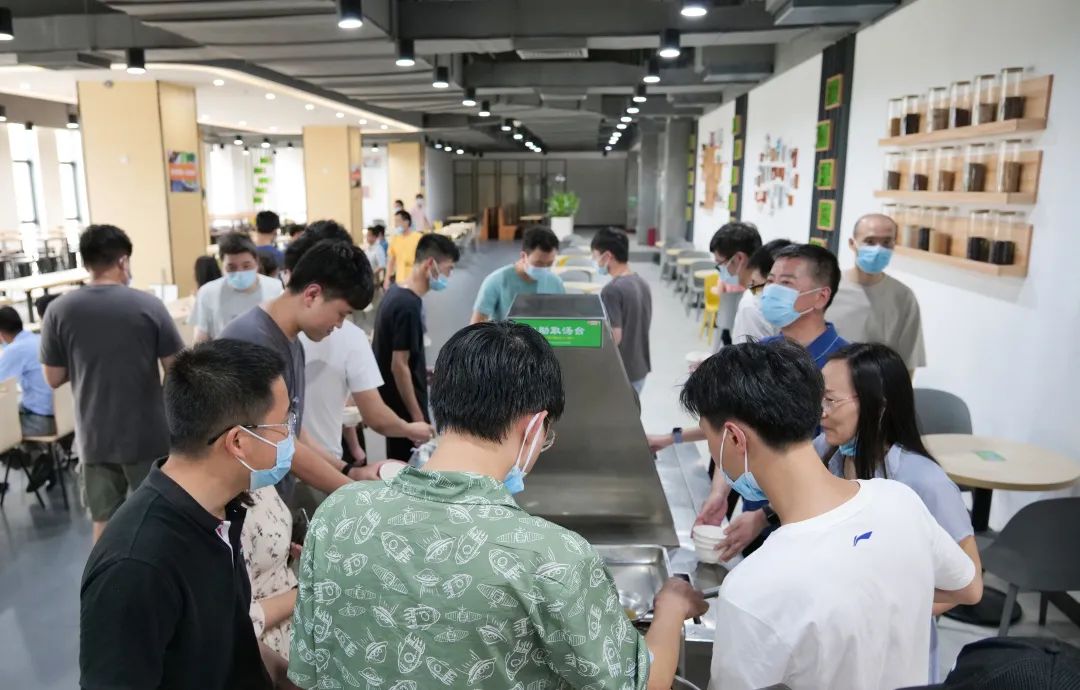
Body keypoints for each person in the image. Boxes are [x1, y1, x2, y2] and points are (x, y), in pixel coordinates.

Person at [289, 321, 707, 690]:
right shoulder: (552, 558)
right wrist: (671, 608)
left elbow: (308, 667)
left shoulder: (338, 514)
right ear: (536, 426)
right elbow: (640, 683)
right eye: (546, 437)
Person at [679, 340, 982, 690]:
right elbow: (964, 587)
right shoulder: (901, 501)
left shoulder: (753, 589)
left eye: (710, 440)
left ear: (734, 439)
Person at [80, 340, 300, 690]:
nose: (291, 434)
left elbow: (232, 644)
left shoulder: (223, 514)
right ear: (238, 442)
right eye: (283, 423)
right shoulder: (137, 566)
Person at [820, 342, 981, 681]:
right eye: (819, 397)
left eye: (831, 400)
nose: (821, 411)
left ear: (878, 408)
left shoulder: (923, 481)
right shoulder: (827, 451)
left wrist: (892, 613)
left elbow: (970, 585)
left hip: (893, 652)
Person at [40, 225, 184, 542]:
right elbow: (177, 369)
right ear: (123, 261)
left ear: (86, 262)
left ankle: (105, 575)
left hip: (94, 437)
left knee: (104, 523)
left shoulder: (59, 310)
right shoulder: (148, 305)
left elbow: (53, 377)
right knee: (158, 518)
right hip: (148, 435)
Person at [220, 236, 380, 504]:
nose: (339, 325)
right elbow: (278, 444)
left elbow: (292, 433)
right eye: (341, 313)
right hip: (243, 505)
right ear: (312, 294)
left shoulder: (294, 342)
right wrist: (353, 491)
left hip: (273, 500)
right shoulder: (252, 342)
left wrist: (348, 470)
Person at [286, 222, 433, 469]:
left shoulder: (272, 324)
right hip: (314, 465)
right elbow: (376, 413)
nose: (338, 324)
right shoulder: (347, 335)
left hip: (295, 466)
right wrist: (411, 426)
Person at [373, 234, 459, 461]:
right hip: (404, 408)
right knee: (410, 468)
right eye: (448, 269)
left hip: (394, 404)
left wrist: (421, 370)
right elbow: (398, 366)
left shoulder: (395, 292)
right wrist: (416, 418)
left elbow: (401, 357)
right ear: (430, 264)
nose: (449, 276)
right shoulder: (408, 305)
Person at [829, 213, 926, 372]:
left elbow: (908, 361)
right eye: (870, 241)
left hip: (877, 384)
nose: (878, 249)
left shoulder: (903, 297)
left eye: (886, 242)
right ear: (852, 244)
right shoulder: (827, 289)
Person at [191, 233, 285, 343]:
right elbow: (201, 337)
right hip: (223, 352)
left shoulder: (275, 288)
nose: (240, 272)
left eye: (246, 266)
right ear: (222, 265)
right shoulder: (208, 292)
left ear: (256, 263)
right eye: (232, 268)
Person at [592, 227, 652, 393]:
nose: (594, 260)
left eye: (595, 256)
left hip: (622, 371)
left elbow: (614, 337)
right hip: (639, 367)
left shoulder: (612, 290)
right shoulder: (641, 282)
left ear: (607, 256)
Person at [471, 225, 566, 323]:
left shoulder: (556, 283)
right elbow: (476, 324)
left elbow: (564, 319)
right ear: (523, 256)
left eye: (549, 263)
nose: (544, 268)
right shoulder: (497, 281)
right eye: (539, 263)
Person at [0, 306, 53, 437]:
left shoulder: (14, 350)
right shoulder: (39, 339)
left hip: (43, 421)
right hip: (64, 414)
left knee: (4, 425)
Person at [384, 209, 423, 289]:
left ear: (407, 222)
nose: (396, 225)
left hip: (415, 278)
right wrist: (387, 279)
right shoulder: (395, 239)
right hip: (400, 279)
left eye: (398, 221)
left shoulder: (418, 237)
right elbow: (391, 261)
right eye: (395, 221)